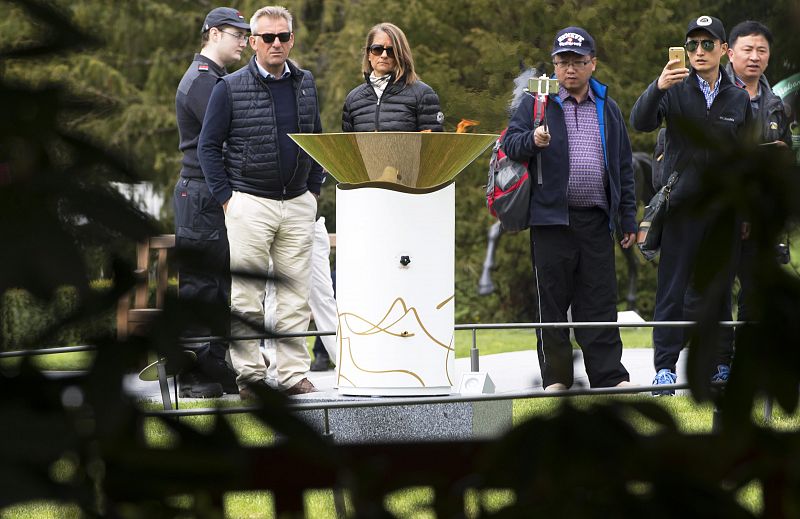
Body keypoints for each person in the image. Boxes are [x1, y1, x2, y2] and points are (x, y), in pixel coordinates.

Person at [198, 5, 324, 399]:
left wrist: (314, 191)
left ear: (291, 39)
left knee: (294, 297)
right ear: (252, 41)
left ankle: (291, 375)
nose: (276, 44)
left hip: (298, 203)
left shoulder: (305, 83)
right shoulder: (229, 87)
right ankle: (250, 377)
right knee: (247, 299)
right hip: (249, 203)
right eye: (267, 37)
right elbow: (207, 147)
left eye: (283, 36)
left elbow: (316, 138)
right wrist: (227, 200)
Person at [503, 27, 635, 390]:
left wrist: (627, 218)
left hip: (595, 218)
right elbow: (510, 145)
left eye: (578, 62)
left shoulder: (608, 108)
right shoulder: (537, 102)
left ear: (592, 64)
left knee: (600, 303)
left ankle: (609, 377)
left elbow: (623, 166)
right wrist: (533, 139)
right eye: (563, 62)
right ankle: (556, 380)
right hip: (550, 220)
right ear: (554, 65)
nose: (570, 69)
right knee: (552, 305)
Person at [630, 15, 753, 395]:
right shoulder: (674, 88)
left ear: (723, 51)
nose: (699, 51)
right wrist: (657, 86)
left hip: (725, 213)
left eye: (707, 44)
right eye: (692, 45)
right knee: (672, 290)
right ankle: (664, 368)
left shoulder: (737, 98)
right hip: (682, 209)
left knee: (718, 291)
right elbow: (640, 121)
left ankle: (720, 364)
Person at [173, 7, 250, 398]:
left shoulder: (217, 78)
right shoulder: (203, 82)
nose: (244, 41)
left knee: (221, 284)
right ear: (214, 34)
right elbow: (225, 138)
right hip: (201, 192)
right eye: (237, 34)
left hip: (211, 192)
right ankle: (192, 374)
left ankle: (214, 365)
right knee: (201, 285)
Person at [724, 20, 792, 338]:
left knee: (758, 291)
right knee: (715, 292)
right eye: (747, 49)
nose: (754, 56)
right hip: (721, 211)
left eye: (761, 50)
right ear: (730, 52)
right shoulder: (709, 93)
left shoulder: (776, 105)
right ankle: (719, 364)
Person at [342, 22, 443, 132]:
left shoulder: (423, 94)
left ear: (400, 55)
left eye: (391, 51)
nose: (384, 55)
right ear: (369, 54)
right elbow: (348, 148)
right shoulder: (353, 99)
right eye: (377, 49)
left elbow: (434, 146)